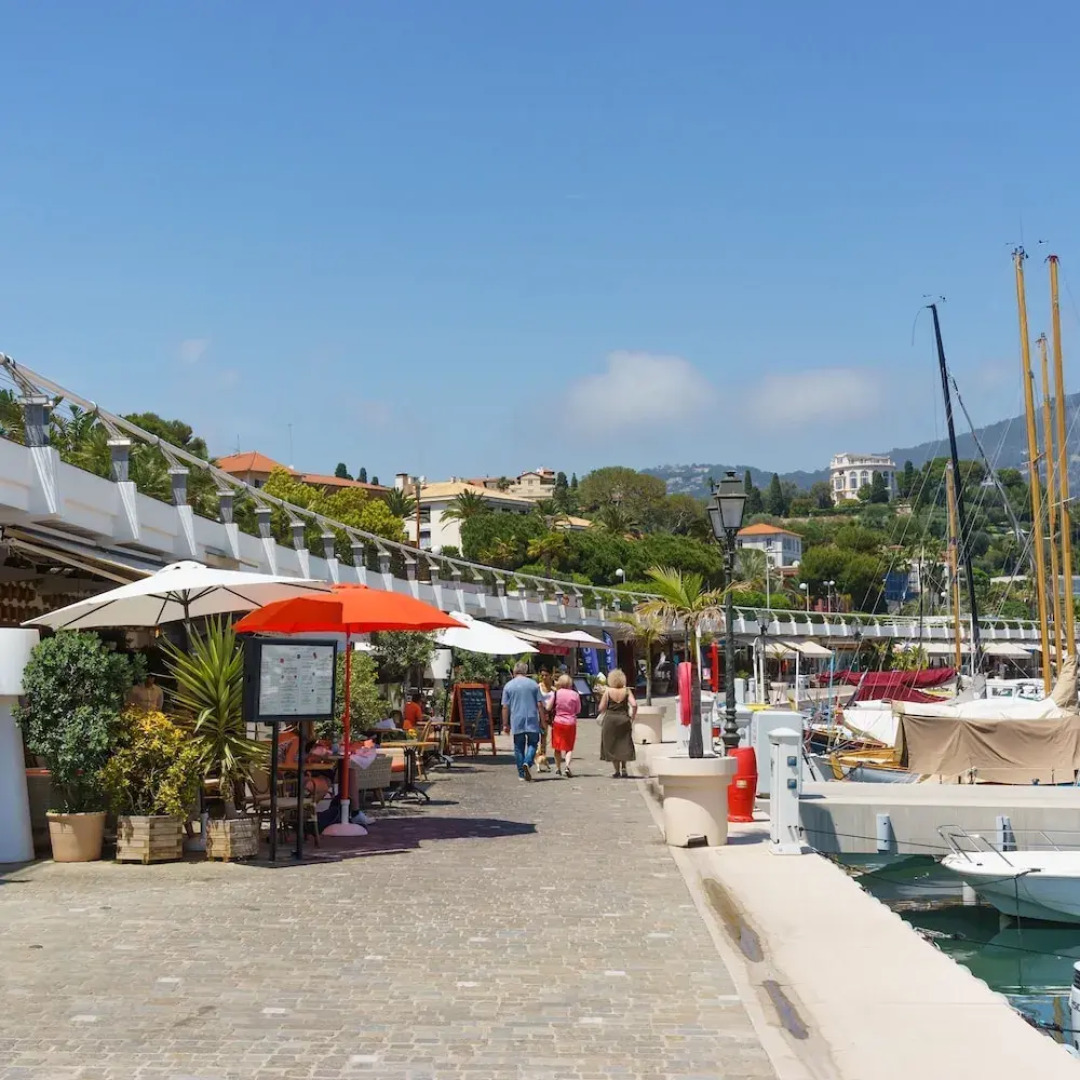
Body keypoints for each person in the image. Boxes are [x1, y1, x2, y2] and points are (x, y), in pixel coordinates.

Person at [501, 660, 547, 781]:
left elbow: (505, 706)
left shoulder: (508, 686)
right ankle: (527, 762)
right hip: (532, 718)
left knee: (518, 747)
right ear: (526, 671)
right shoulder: (533, 685)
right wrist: (543, 722)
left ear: (515, 671)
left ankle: (521, 774)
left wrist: (505, 724)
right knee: (533, 743)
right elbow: (540, 705)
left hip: (516, 719)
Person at [598, 668, 637, 778]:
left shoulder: (608, 691)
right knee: (624, 743)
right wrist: (632, 717)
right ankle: (624, 768)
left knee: (612, 745)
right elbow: (634, 705)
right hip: (624, 719)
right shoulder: (627, 691)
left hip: (610, 720)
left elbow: (601, 708)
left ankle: (617, 771)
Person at [549, 673, 581, 777]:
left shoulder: (556, 693)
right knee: (569, 747)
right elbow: (578, 710)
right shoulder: (575, 694)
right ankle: (567, 766)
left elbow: (549, 707)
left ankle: (558, 768)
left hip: (558, 722)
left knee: (557, 747)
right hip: (570, 722)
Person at [535, 669, 555, 772]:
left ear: (550, 676)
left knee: (544, 736)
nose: (543, 677)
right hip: (538, 713)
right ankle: (536, 756)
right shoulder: (538, 687)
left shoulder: (553, 689)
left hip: (548, 715)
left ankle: (543, 756)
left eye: (546, 675)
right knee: (535, 736)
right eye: (542, 675)